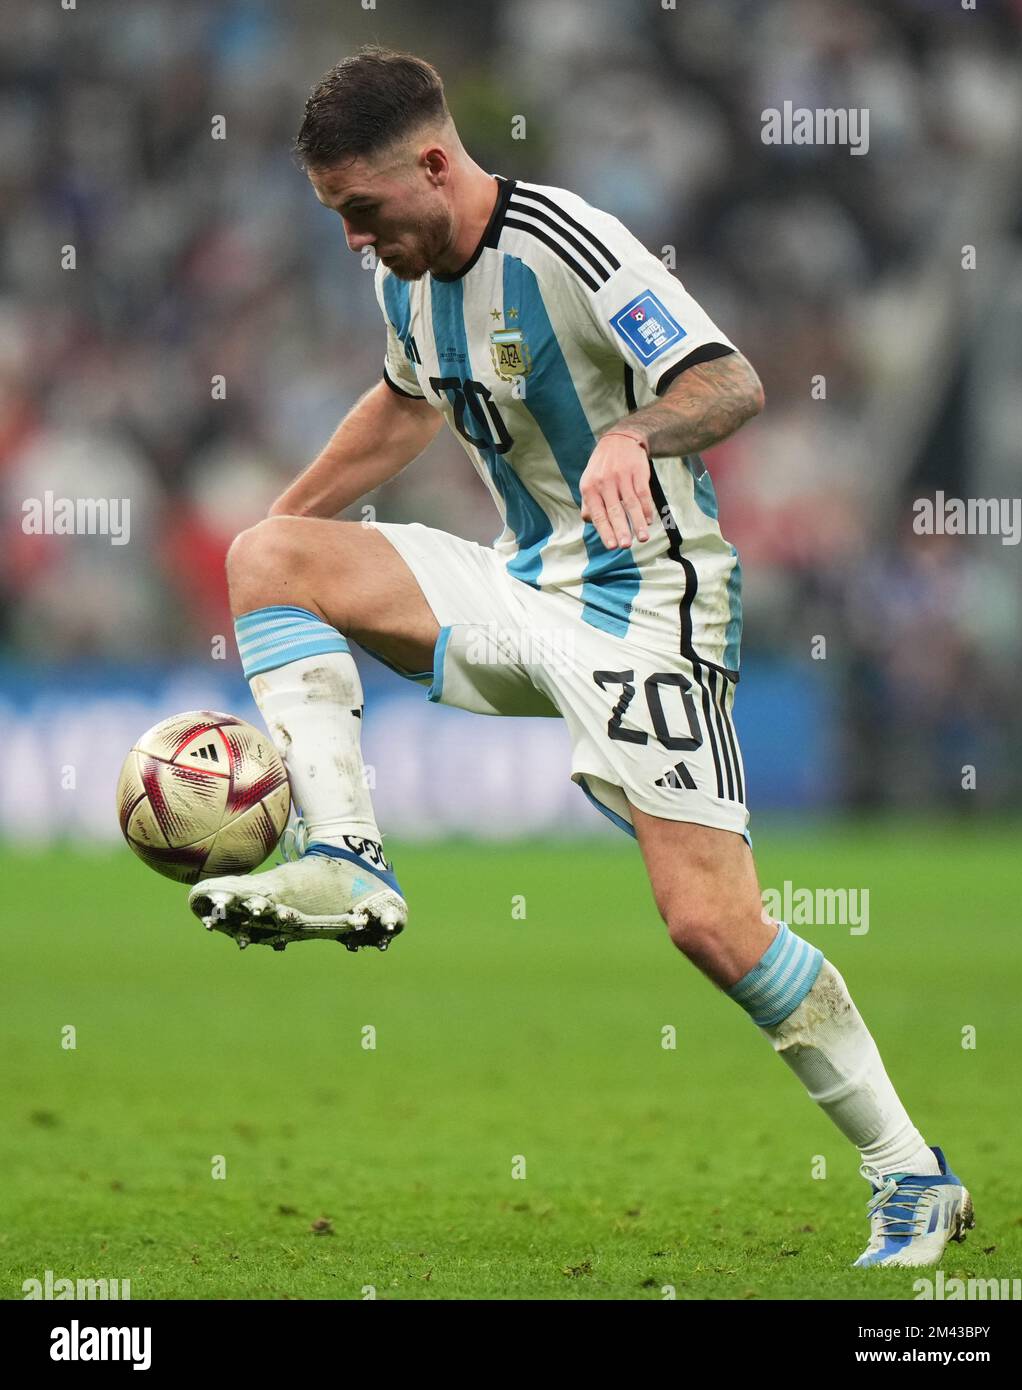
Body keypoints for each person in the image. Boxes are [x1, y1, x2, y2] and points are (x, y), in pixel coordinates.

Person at [189, 47, 972, 1269]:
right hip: (518, 586)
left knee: (711, 925)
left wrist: (633, 434)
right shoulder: (403, 274)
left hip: (645, 608)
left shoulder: (573, 242)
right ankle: (345, 859)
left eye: (360, 211)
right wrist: (281, 538)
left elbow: (730, 380)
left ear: (436, 165)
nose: (352, 239)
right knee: (266, 555)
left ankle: (909, 1173)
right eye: (336, 218)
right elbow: (405, 401)